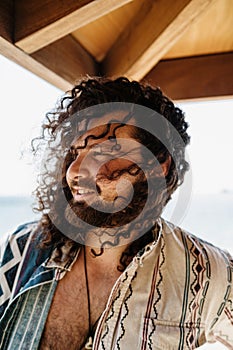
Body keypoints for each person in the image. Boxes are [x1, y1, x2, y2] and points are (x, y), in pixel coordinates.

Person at [0, 77, 232, 350]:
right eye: (74, 152)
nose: (75, 171)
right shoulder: (21, 247)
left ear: (158, 166)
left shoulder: (207, 274)